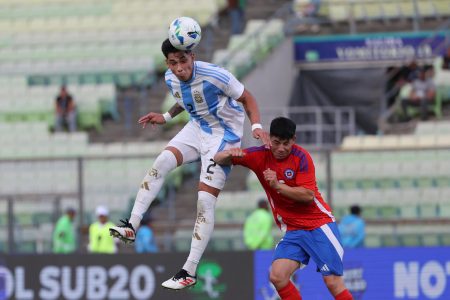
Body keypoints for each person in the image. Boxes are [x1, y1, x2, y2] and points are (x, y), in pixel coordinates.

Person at [109, 38, 270, 290]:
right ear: (167, 63)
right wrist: (165, 117)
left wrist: (257, 127)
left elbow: (248, 98)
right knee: (161, 162)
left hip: (224, 134)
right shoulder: (170, 78)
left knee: (205, 201)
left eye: (183, 61)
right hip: (198, 128)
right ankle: (132, 225)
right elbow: (187, 101)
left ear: (192, 57)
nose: (179, 68)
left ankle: (190, 271)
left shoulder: (217, 75)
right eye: (173, 63)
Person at [214, 117, 353, 300]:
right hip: (294, 230)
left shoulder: (302, 157)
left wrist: (277, 186)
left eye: (285, 143)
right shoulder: (259, 155)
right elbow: (218, 158)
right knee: (277, 276)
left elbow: (307, 195)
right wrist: (230, 153)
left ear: (293, 140)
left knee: (333, 282)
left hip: (319, 225)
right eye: (276, 142)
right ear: (269, 138)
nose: (280, 148)